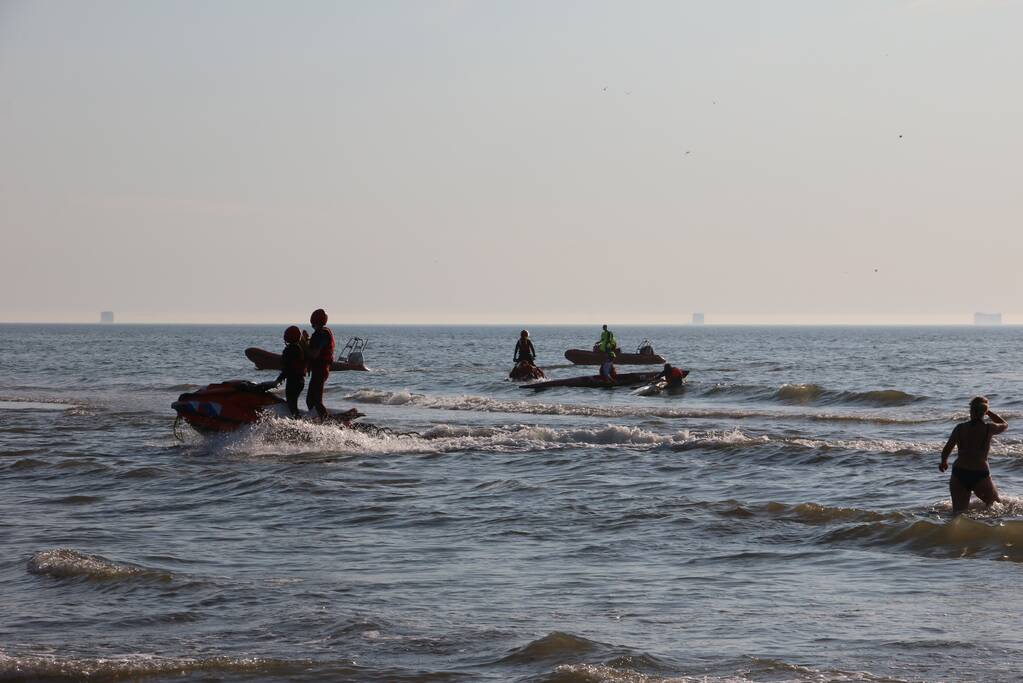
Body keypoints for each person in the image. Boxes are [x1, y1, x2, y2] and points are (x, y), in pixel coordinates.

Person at [939, 396, 1008, 514]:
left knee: (958, 514)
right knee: (997, 509)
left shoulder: (959, 428)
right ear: (984, 411)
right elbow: (1004, 424)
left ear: (971, 410)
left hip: (959, 472)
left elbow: (947, 448)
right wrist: (989, 412)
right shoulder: (989, 428)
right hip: (980, 473)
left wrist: (944, 461)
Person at [305, 308, 335, 419]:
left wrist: (303, 344)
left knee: (317, 400)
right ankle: (316, 418)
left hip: (321, 370)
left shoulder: (322, 334)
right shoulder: (323, 332)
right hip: (319, 369)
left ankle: (326, 422)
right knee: (310, 400)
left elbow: (314, 354)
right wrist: (308, 339)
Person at [272, 326, 307, 417]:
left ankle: (298, 422)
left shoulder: (290, 350)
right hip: (300, 381)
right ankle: (297, 420)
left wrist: (278, 380)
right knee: (292, 404)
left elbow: (288, 368)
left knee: (292, 405)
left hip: (293, 381)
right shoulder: (299, 348)